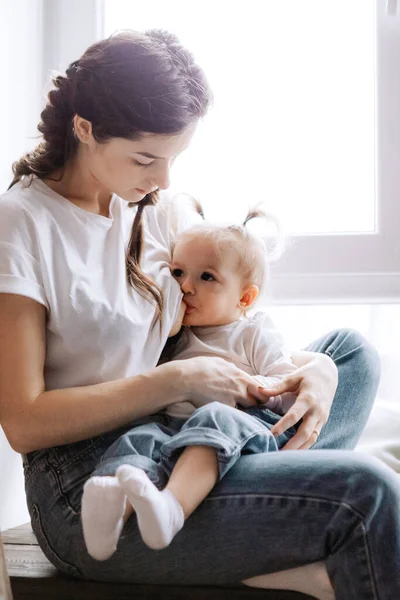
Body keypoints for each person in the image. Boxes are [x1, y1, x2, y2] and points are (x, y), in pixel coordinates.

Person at [0, 28, 398, 600]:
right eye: (146, 158)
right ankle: (237, 512)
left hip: (185, 431)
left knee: (350, 352)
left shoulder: (154, 207)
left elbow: (224, 330)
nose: (164, 179)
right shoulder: (22, 225)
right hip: (94, 485)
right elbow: (23, 422)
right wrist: (174, 380)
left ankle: (229, 495)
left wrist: (315, 371)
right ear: (84, 128)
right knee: (367, 490)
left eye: (173, 158)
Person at [81, 207, 299, 558]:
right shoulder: (173, 334)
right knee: (139, 437)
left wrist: (251, 387)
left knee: (215, 415)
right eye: (179, 272)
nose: (185, 286)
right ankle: (111, 512)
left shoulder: (252, 331)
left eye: (207, 277)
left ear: (244, 298)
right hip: (175, 428)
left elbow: (285, 386)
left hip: (240, 429)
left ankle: (172, 508)